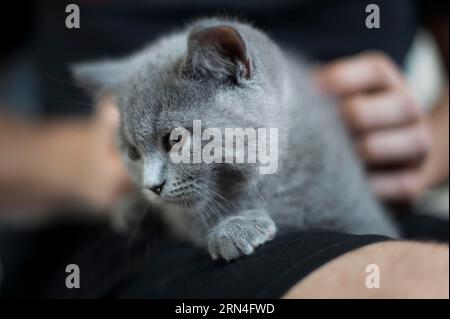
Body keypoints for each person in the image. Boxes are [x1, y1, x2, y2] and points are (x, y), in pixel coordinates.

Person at [0, 0, 448, 298]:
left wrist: (424, 148)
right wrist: (80, 163)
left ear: (234, 66)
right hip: (121, 247)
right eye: (139, 153)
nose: (152, 180)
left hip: (377, 196)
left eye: (176, 142)